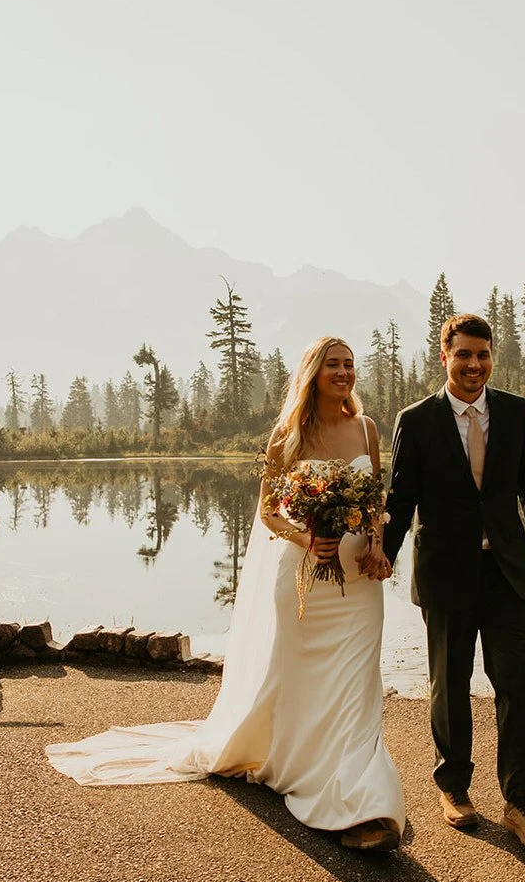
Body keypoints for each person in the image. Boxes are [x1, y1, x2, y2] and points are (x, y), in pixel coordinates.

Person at [46, 337, 406, 851]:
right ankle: (309, 771)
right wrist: (310, 539)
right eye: (333, 365)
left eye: (349, 365)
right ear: (312, 373)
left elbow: (375, 500)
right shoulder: (288, 435)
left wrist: (375, 545)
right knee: (304, 683)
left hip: (359, 585)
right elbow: (268, 513)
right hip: (305, 579)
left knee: (356, 686)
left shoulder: (367, 429)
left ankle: (367, 802)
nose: (344, 373)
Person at [383, 314, 525, 849]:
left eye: (482, 355)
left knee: (517, 683)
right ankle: (454, 786)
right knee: (450, 683)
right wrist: (382, 555)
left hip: (506, 569)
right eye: (463, 355)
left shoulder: (513, 411)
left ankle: (521, 803)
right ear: (445, 357)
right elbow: (400, 498)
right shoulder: (416, 421)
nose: (474, 365)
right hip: (444, 572)